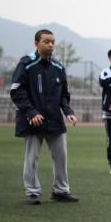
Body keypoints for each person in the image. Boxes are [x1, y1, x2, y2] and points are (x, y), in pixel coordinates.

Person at [10, 29, 79, 204]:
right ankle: (32, 192)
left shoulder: (58, 67)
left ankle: (61, 191)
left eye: (53, 42)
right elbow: (16, 91)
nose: (50, 45)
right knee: (31, 158)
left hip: (54, 120)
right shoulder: (26, 64)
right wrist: (31, 112)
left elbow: (64, 94)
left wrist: (68, 112)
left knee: (61, 156)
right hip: (33, 120)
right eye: (46, 41)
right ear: (36, 43)